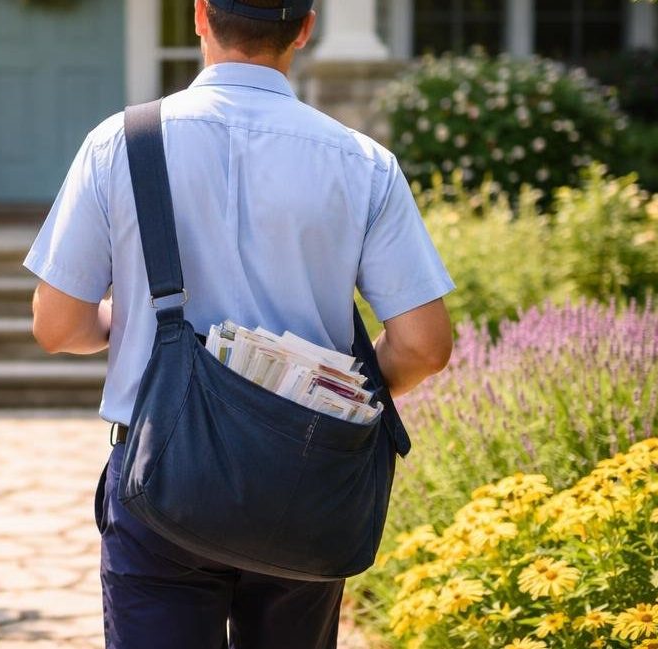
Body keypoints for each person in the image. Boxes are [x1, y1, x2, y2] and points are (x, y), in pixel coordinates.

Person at [22, 0, 456, 646]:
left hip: (159, 481)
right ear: (305, 29)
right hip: (305, 482)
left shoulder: (121, 142)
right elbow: (424, 345)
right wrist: (328, 403)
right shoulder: (363, 162)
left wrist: (121, 321)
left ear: (200, 15)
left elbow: (58, 326)